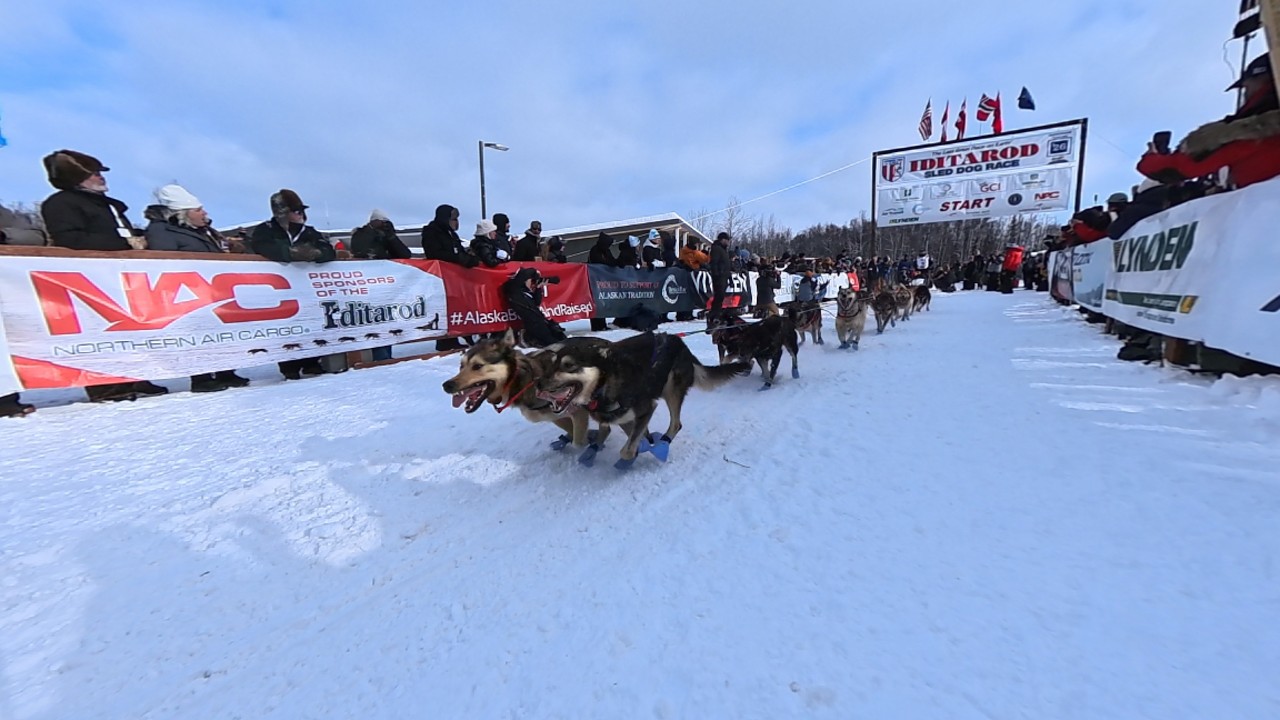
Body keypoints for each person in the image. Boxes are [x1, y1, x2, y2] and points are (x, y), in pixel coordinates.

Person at [40, 150, 169, 402]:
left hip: (123, 275)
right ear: (76, 177)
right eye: (93, 173)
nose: (100, 177)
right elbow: (70, 239)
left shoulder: (107, 204)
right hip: (91, 278)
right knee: (99, 331)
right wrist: (124, 242)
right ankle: (106, 385)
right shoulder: (60, 203)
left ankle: (135, 376)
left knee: (130, 328)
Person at [145, 184, 251, 392]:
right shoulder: (162, 230)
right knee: (195, 335)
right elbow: (163, 260)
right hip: (185, 293)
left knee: (218, 332)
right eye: (198, 210)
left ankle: (225, 371)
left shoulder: (204, 231)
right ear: (183, 213)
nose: (204, 213)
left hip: (211, 291)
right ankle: (200, 377)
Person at [1138, 53, 1280, 191]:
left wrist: (1151, 159)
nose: (1244, 93)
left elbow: (1181, 167)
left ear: (1263, 78)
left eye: (1246, 86)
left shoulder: (1249, 129)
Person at [251, 189, 336, 380]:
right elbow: (262, 248)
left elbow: (328, 251)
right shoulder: (265, 231)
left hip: (308, 288)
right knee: (286, 326)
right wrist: (290, 253)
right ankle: (289, 366)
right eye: (295, 210)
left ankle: (312, 362)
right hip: (279, 287)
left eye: (301, 210)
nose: (300, 214)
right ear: (282, 213)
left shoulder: (310, 232)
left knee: (311, 322)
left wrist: (316, 254)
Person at [350, 209, 412, 361]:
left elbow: (405, 254)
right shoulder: (360, 234)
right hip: (367, 283)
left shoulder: (385, 235)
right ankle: (376, 357)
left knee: (385, 319)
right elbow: (360, 250)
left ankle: (384, 355)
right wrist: (375, 235)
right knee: (372, 319)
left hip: (385, 284)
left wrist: (391, 237)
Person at [501, 268, 567, 348]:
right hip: (533, 324)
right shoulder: (513, 290)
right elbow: (520, 278)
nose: (532, 283)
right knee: (554, 344)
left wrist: (538, 288)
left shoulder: (526, 292)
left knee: (562, 339)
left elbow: (536, 303)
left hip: (541, 321)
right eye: (531, 281)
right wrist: (534, 273)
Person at [588, 232, 618, 331]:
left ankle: (602, 324)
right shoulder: (594, 250)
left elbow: (612, 261)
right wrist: (609, 263)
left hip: (603, 281)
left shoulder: (606, 251)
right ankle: (596, 325)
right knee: (596, 303)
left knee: (603, 302)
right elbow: (599, 262)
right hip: (594, 280)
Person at [708, 231, 732, 318]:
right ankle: (714, 313)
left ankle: (717, 312)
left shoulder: (723, 250)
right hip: (719, 276)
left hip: (724, 276)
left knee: (721, 296)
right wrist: (716, 275)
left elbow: (726, 264)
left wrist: (729, 277)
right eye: (727, 240)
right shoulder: (716, 249)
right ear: (722, 240)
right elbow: (714, 263)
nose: (728, 242)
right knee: (719, 296)